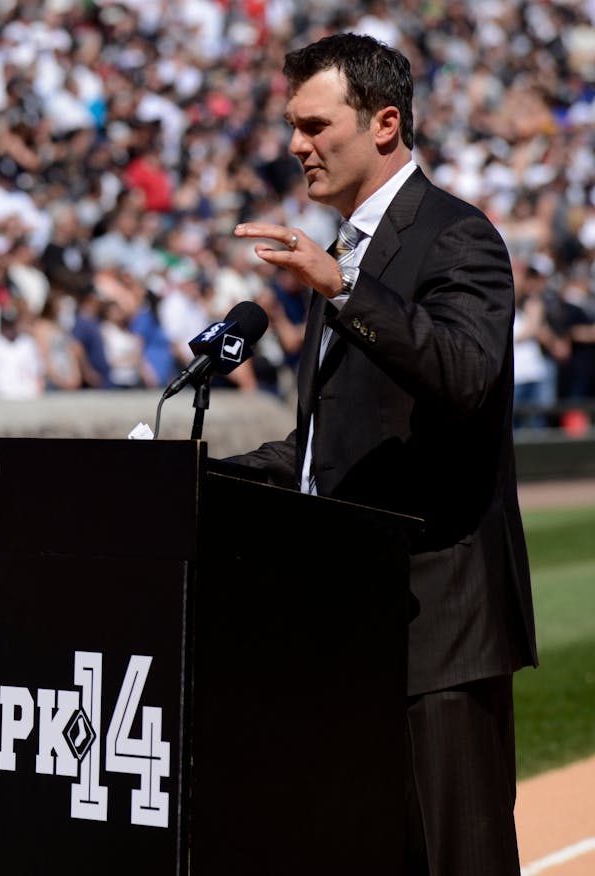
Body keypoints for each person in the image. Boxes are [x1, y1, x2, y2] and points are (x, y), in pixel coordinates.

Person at [229, 34, 537, 876]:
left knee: (456, 857)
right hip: (355, 620)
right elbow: (326, 446)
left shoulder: (456, 237)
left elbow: (464, 377)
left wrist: (343, 288)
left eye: (314, 124)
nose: (296, 145)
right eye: (293, 125)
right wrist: (195, 473)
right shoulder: (348, 255)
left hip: (440, 623)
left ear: (386, 123)